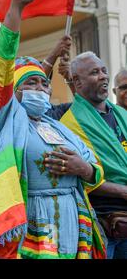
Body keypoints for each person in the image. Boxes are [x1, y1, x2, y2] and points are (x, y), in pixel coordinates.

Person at [0, 0, 106, 259]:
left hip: (73, 218)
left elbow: (95, 170)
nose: (41, 89)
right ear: (15, 91)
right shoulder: (6, 119)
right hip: (32, 220)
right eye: (31, 83)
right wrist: (16, 8)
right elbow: (0, 66)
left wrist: (83, 168)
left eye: (44, 84)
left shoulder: (58, 126)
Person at [60, 52, 127, 259]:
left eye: (104, 71)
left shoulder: (122, 114)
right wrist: (124, 191)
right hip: (104, 224)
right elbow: (82, 175)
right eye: (94, 72)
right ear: (77, 82)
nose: (103, 76)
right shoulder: (68, 124)